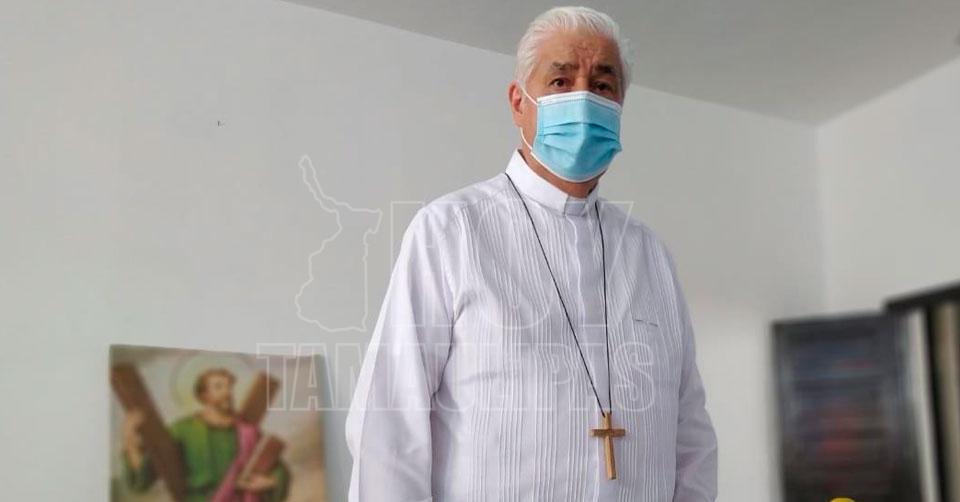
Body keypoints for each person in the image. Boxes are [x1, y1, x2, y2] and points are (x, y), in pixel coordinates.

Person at [346, 6, 717, 501]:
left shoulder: (649, 254)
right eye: (561, 81)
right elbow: (388, 428)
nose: (584, 98)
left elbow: (690, 433)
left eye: (602, 85)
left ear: (620, 106)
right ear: (519, 102)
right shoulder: (451, 230)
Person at [121, 368, 290, 501]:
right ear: (204, 395)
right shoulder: (183, 429)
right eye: (219, 387)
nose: (228, 392)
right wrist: (130, 442)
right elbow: (147, 474)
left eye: (229, 386)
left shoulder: (247, 431)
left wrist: (271, 482)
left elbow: (274, 466)